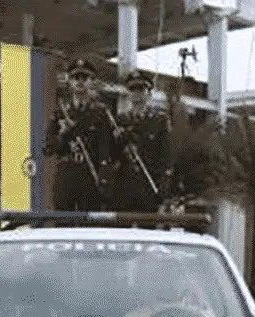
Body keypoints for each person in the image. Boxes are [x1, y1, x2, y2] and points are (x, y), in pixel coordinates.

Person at [44, 58, 114, 211]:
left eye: (85, 78)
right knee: (62, 222)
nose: (80, 82)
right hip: (66, 172)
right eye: (76, 78)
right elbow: (48, 148)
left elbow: (105, 149)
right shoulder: (61, 112)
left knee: (88, 225)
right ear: (70, 81)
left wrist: (104, 176)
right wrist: (64, 135)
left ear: (92, 82)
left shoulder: (100, 113)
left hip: (89, 172)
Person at [108, 69, 167, 213]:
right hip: (124, 186)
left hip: (148, 184)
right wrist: (118, 142)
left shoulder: (159, 121)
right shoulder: (120, 121)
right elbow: (110, 155)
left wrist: (163, 187)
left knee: (147, 231)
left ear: (149, 93)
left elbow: (165, 156)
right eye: (133, 89)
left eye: (141, 89)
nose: (137, 93)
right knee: (122, 231)